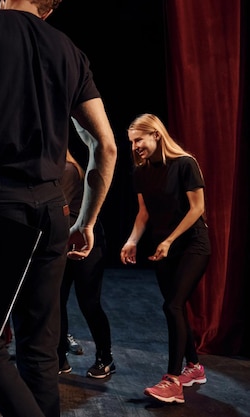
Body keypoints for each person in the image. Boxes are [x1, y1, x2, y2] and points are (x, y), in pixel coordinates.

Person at [0, 0, 117, 416]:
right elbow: (106, 146)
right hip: (53, 214)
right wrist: (87, 220)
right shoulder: (70, 51)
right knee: (39, 350)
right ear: (50, 8)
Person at [121, 113, 210, 404]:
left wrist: (170, 240)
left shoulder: (185, 164)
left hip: (192, 245)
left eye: (139, 140)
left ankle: (172, 380)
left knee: (172, 304)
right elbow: (143, 213)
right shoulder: (141, 172)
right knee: (177, 308)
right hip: (164, 248)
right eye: (131, 142)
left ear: (156, 135)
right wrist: (132, 240)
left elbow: (197, 208)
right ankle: (194, 367)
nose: (134, 146)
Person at [58, 148, 114, 378]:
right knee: (56, 302)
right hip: (62, 244)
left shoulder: (67, 170)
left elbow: (55, 213)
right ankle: (59, 357)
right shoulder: (50, 172)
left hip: (85, 245)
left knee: (89, 303)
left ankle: (105, 357)